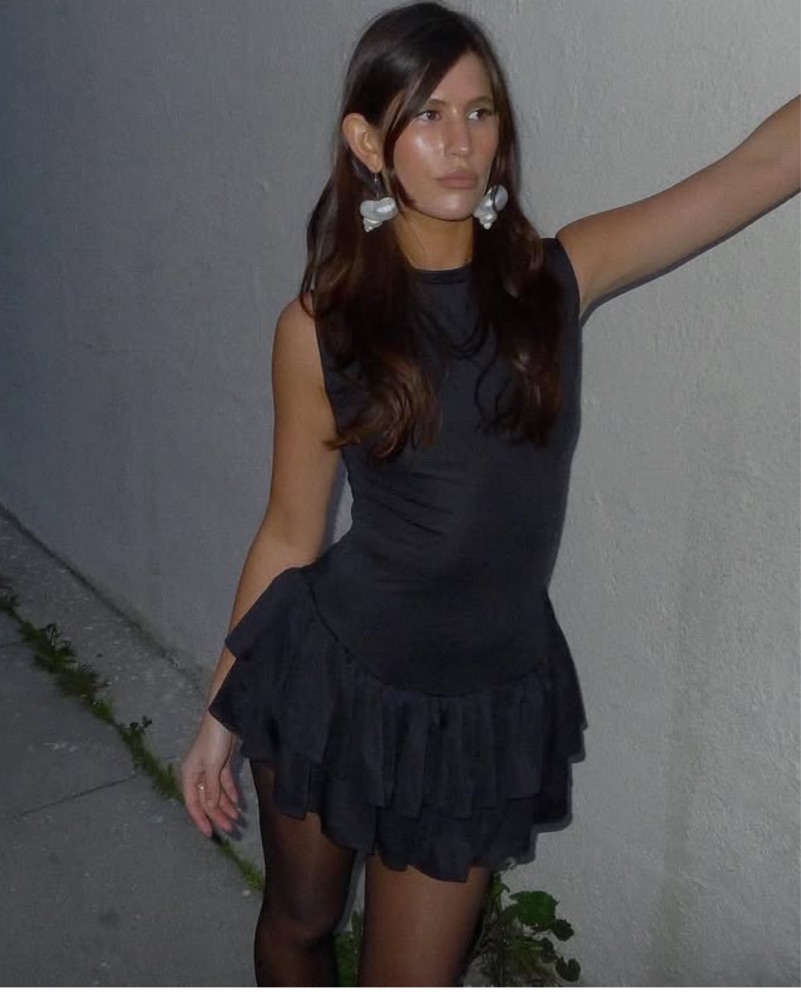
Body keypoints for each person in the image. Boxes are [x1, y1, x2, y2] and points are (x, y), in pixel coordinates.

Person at [181, 1, 799, 987]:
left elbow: (761, 166)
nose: (461, 143)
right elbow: (291, 534)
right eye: (428, 116)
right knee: (299, 924)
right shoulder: (321, 328)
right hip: (333, 673)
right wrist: (220, 711)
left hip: (478, 706)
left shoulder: (556, 278)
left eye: (479, 112)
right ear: (368, 143)